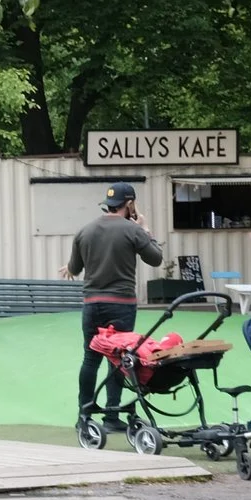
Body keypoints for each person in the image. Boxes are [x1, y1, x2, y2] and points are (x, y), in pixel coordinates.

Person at [63, 183, 164, 427]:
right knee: (118, 359)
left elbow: (74, 268)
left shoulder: (85, 231)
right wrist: (146, 230)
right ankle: (111, 416)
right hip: (121, 304)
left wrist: (69, 268)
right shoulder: (133, 230)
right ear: (129, 204)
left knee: (90, 359)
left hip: (92, 303)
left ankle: (84, 417)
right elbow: (156, 258)